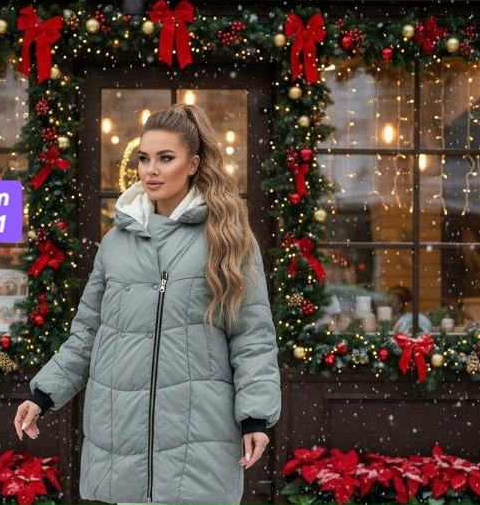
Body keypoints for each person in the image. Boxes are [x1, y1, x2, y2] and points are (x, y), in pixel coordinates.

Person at [14, 104, 281, 505]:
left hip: (199, 438)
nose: (151, 170)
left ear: (193, 165)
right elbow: (88, 334)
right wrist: (42, 395)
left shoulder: (227, 239)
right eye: (144, 158)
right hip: (122, 438)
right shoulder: (115, 244)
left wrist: (256, 415)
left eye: (165, 158)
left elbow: (252, 337)